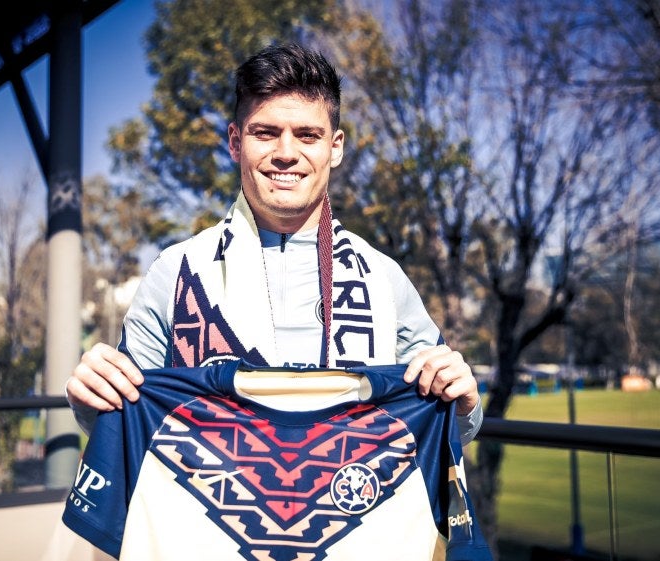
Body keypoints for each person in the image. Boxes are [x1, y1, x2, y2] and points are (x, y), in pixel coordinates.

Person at [66, 42, 483, 443]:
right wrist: (92, 396)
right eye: (265, 133)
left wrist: (464, 405)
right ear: (235, 142)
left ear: (334, 148)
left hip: (354, 507)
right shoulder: (176, 272)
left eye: (307, 135)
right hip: (210, 513)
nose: (286, 153)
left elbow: (450, 422)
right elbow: (123, 419)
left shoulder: (383, 279)